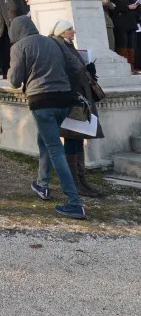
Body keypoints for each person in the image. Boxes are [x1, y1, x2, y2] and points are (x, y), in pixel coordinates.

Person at [7, 16, 86, 220]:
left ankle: (74, 203)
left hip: (42, 102)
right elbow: (76, 66)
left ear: (15, 32)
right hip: (64, 100)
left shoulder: (19, 47)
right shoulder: (53, 42)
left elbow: (15, 81)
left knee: (54, 149)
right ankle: (42, 184)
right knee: (45, 141)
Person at [48, 19, 104, 198]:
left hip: (80, 95)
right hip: (71, 97)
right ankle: (74, 181)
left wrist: (89, 71)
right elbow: (64, 71)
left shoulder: (68, 45)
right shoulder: (58, 47)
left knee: (78, 138)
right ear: (62, 32)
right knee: (72, 138)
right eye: (70, 29)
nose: (73, 31)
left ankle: (81, 179)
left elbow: (77, 68)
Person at [106, 0, 138, 73]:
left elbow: (124, 4)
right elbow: (114, 8)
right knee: (122, 45)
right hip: (119, 24)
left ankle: (131, 66)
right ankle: (124, 66)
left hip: (129, 22)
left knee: (130, 46)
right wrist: (127, 7)